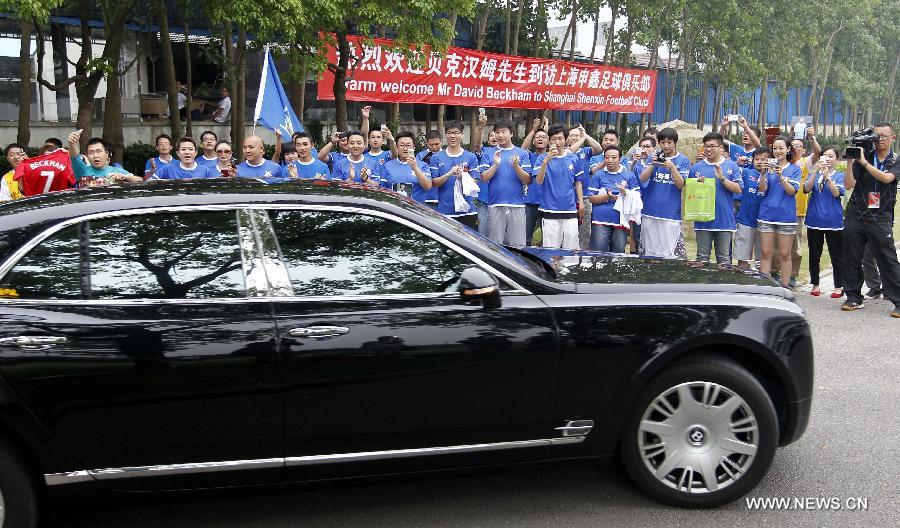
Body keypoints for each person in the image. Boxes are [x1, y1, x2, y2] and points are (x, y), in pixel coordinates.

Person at [841, 122, 900, 317]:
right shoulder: (862, 158)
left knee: (887, 258)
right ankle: (853, 297)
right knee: (851, 256)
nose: (880, 139)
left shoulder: (895, 160)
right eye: (876, 136)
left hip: (880, 215)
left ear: (893, 138)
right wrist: (851, 160)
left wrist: (865, 163)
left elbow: (886, 178)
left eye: (884, 135)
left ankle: (898, 301)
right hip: (856, 212)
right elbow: (849, 184)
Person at [772, 128, 821, 287]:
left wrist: (812, 138)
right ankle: (774, 272)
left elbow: (818, 152)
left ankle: (792, 275)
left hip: (797, 210)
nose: (794, 148)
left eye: (798, 145)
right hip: (777, 210)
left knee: (794, 246)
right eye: (792, 145)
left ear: (803, 149)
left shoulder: (804, 162)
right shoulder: (779, 163)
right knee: (774, 246)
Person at [687, 132, 744, 264]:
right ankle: (702, 285)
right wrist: (697, 183)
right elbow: (690, 192)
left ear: (720, 147)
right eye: (706, 146)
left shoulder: (731, 166)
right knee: (701, 259)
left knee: (724, 260)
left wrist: (723, 179)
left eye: (712, 146)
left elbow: (739, 189)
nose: (708, 149)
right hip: (702, 219)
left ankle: (723, 285)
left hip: (724, 219)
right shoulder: (696, 168)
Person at [478, 119, 533, 246]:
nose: (500, 135)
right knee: (495, 246)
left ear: (512, 134)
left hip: (517, 205)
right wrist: (496, 165)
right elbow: (484, 178)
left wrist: (516, 167)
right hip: (495, 205)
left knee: (518, 246)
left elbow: (527, 179)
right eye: (497, 132)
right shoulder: (489, 153)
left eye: (504, 132)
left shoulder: (522, 153)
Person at [638, 127, 691, 258]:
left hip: (670, 213)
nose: (666, 145)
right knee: (650, 252)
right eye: (662, 142)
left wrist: (672, 167)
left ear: (675, 143)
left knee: (670, 254)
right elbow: (642, 178)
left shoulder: (683, 160)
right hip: (650, 211)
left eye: (669, 142)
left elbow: (681, 184)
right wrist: (653, 163)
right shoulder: (653, 157)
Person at [756, 136, 802, 288]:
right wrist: (763, 173)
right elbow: (762, 189)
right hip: (767, 216)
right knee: (766, 252)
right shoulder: (768, 167)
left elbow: (791, 191)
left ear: (788, 149)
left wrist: (781, 175)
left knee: (784, 254)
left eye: (781, 148)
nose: (777, 151)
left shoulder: (795, 169)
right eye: (774, 148)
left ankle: (785, 285)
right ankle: (764, 285)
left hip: (786, 217)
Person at [803, 146, 845, 298]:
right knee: (814, 254)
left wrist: (828, 176)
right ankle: (815, 284)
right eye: (824, 156)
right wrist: (815, 171)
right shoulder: (814, 173)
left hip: (833, 221)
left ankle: (839, 286)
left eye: (831, 156)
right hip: (814, 220)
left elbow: (836, 193)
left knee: (837, 255)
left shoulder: (839, 175)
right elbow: (806, 189)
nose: (827, 159)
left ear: (837, 159)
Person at [533, 123, 582, 249]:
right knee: (551, 249)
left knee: (571, 248)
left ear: (566, 139)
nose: (557, 142)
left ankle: (569, 268)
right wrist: (546, 161)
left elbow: (578, 182)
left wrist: (581, 203)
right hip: (550, 209)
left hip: (570, 208)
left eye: (560, 138)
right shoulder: (542, 158)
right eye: (553, 139)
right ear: (549, 140)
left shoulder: (573, 158)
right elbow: (538, 181)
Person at [426, 122, 482, 229]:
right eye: (450, 133)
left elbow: (475, 182)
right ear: (445, 135)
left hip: (468, 211)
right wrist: (449, 174)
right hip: (445, 212)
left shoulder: (470, 157)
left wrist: (463, 176)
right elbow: (434, 183)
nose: (453, 136)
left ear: (462, 135)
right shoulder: (436, 157)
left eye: (456, 133)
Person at [587, 144, 640, 252]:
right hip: (600, 220)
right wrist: (607, 197)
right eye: (606, 157)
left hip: (621, 221)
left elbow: (637, 197)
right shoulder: (598, 175)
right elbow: (591, 198)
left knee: (618, 254)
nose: (610, 160)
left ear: (620, 158)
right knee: (598, 254)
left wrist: (625, 192)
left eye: (614, 157)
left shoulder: (629, 176)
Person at [568, 125, 604, 249]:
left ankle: (583, 257)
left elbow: (599, 149)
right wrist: (581, 139)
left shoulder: (586, 151)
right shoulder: (565, 152)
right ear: (567, 138)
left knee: (584, 231)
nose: (574, 138)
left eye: (576, 135)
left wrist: (586, 136)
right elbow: (571, 151)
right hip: (568, 198)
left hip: (585, 197)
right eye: (572, 135)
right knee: (569, 231)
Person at [733, 147, 769, 268]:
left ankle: (760, 282)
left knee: (762, 258)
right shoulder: (746, 172)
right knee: (742, 257)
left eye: (763, 159)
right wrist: (737, 164)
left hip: (764, 223)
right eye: (757, 159)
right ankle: (742, 281)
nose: (759, 161)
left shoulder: (773, 176)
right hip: (745, 220)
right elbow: (731, 171)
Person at [64, 130, 140, 186]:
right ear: (87, 155)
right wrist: (72, 143)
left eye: (99, 151)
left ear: (107, 154)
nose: (95, 155)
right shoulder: (81, 170)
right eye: (91, 152)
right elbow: (74, 156)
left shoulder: (116, 171)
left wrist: (125, 177)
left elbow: (140, 180)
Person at [378, 131, 432, 205]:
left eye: (408, 145)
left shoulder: (423, 165)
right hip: (394, 210)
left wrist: (415, 168)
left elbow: (428, 186)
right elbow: (382, 191)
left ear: (414, 147)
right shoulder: (387, 166)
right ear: (397, 147)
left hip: (417, 211)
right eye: (402, 145)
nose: (405, 148)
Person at [521, 118, 549, 245]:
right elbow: (522, 149)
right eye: (537, 137)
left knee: (548, 238)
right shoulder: (529, 156)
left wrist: (546, 128)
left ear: (548, 141)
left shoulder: (552, 157)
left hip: (548, 203)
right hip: (530, 201)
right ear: (533, 141)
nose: (540, 139)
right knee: (526, 237)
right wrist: (533, 130)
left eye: (543, 137)